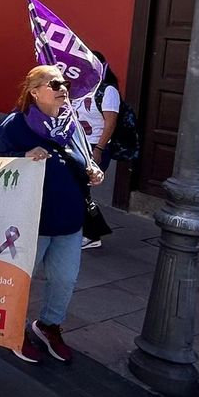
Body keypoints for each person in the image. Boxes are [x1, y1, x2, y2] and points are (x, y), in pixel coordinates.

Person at [0, 65, 104, 364]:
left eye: (65, 83)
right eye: (54, 84)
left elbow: (84, 160)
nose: (62, 88)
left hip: (69, 220)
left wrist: (93, 171)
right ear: (34, 91)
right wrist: (22, 156)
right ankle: (14, 329)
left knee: (64, 280)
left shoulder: (71, 125)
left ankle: (49, 325)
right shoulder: (15, 124)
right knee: (21, 280)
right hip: (30, 221)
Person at [73, 51, 120, 250]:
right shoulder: (79, 89)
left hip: (95, 146)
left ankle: (92, 233)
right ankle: (92, 230)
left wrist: (99, 149)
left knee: (80, 188)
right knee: (78, 189)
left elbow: (110, 123)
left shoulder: (108, 91)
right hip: (78, 144)